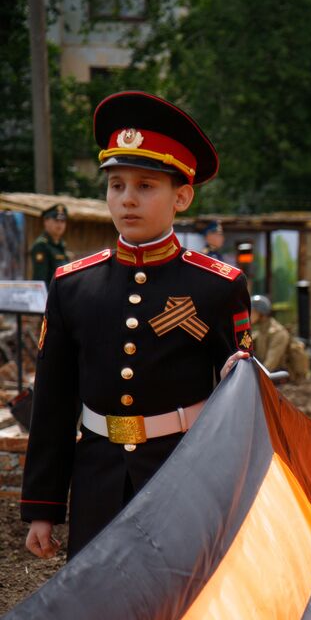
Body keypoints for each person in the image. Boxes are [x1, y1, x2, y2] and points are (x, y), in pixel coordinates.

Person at [21, 91, 251, 560]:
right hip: (97, 475)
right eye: (116, 185)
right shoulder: (72, 286)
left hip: (182, 475)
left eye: (146, 186)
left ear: (181, 196)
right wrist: (43, 506)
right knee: (95, 613)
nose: (127, 199)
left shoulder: (217, 287)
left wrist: (238, 497)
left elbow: (241, 405)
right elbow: (54, 401)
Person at [249, 294, 309, 382]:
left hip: (283, 378)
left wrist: (253, 379)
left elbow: (270, 365)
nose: (249, 314)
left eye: (252, 311)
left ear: (261, 313)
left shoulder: (278, 333)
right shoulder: (261, 332)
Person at [29, 204, 70, 287]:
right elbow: (40, 280)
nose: (59, 224)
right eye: (56, 220)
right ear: (46, 222)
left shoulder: (61, 245)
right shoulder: (41, 246)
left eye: (62, 221)